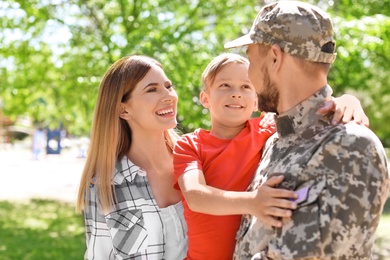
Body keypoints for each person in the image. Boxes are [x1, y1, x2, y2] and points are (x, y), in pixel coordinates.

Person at [223, 1, 390, 259]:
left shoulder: (350, 147)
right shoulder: (277, 140)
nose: (249, 74)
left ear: (275, 58)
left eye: (250, 59)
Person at [173, 53, 373, 259]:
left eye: (246, 87)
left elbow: (307, 109)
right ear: (205, 98)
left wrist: (346, 100)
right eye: (225, 85)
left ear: (256, 101)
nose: (236, 94)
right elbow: (195, 196)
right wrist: (252, 202)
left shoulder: (267, 127)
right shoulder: (190, 144)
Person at [76, 55, 188, 260]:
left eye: (168, 86)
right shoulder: (105, 185)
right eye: (152, 89)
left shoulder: (196, 163)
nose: (169, 96)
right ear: (123, 109)